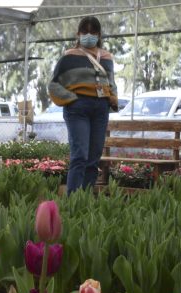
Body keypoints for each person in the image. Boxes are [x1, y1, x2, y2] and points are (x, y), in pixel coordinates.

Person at [48, 16, 118, 194]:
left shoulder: (107, 57)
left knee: (94, 158)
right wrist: (71, 99)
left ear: (99, 34)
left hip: (101, 108)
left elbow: (111, 82)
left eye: (93, 32)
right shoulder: (69, 56)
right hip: (78, 108)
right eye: (85, 32)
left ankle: (85, 200)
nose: (89, 35)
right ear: (78, 34)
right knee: (80, 155)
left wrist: (113, 97)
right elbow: (54, 84)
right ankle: (73, 201)